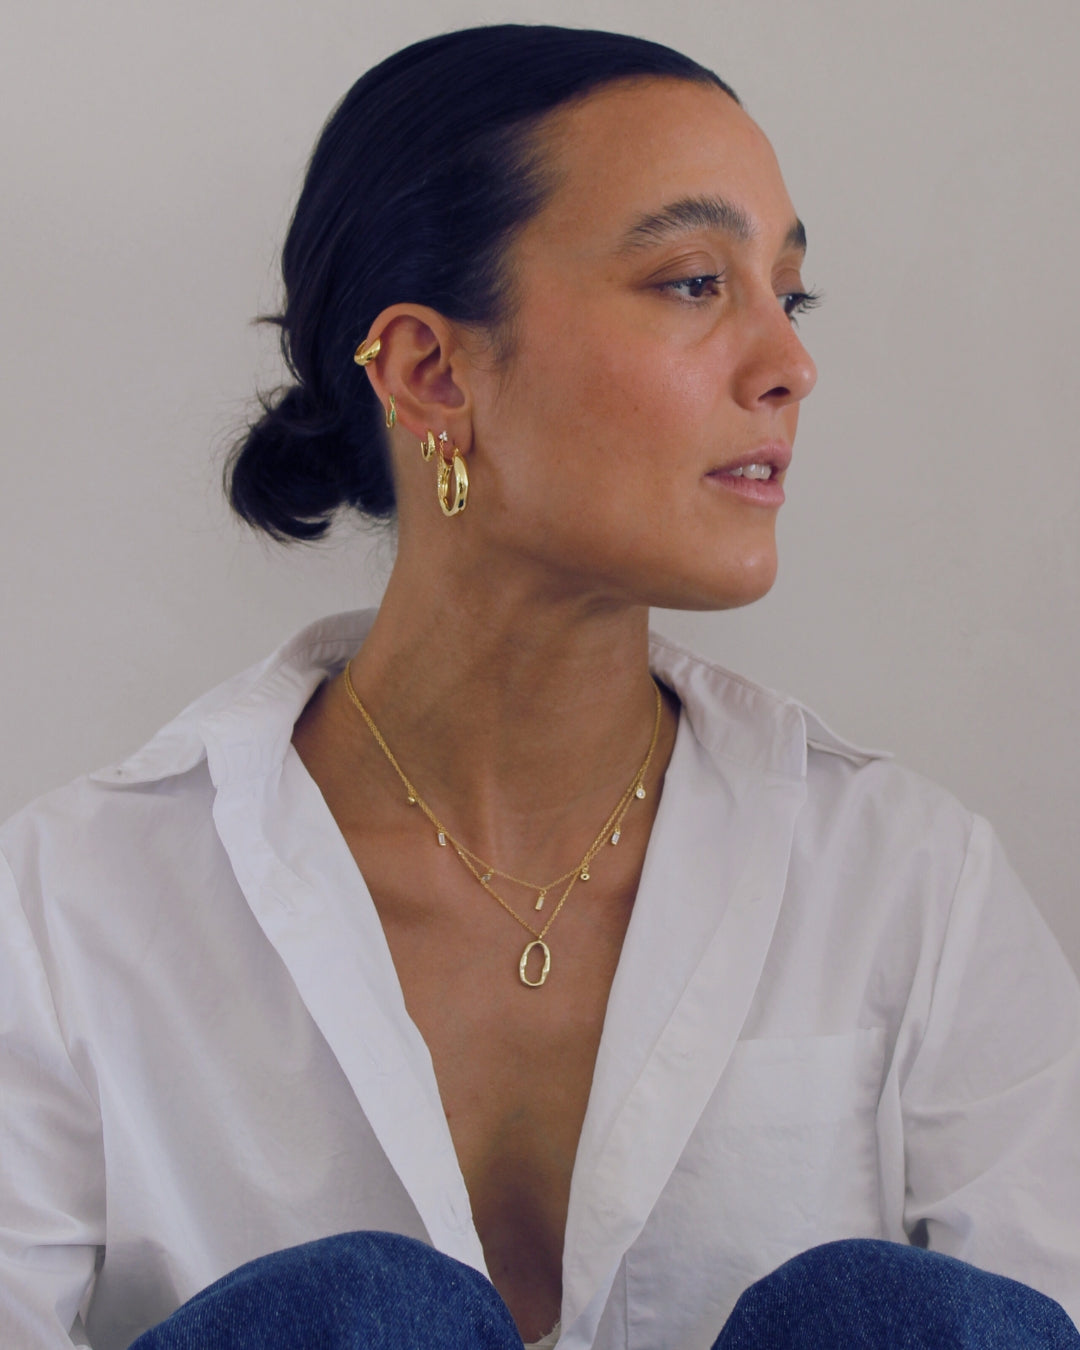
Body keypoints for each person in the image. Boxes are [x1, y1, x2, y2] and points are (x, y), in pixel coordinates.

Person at [1, 23, 1078, 1350]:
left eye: (786, 296)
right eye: (693, 283)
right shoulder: (65, 914)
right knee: (356, 1324)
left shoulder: (912, 886)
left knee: (885, 1321)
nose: (788, 363)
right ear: (431, 372)